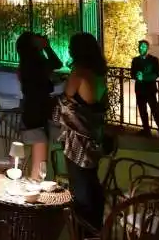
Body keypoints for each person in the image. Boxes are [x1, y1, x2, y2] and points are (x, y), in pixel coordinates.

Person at [56, 32, 108, 230]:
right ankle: (96, 229)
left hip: (78, 141)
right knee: (91, 183)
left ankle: (84, 232)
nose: (69, 50)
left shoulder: (79, 72)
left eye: (71, 47)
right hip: (94, 138)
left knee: (81, 190)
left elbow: (66, 99)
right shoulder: (98, 73)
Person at [16, 31, 62, 179]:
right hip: (36, 110)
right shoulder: (34, 62)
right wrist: (47, 47)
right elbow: (57, 63)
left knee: (40, 146)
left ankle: (36, 180)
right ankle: (36, 181)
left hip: (34, 109)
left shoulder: (28, 62)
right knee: (40, 145)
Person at [130, 40, 159, 138]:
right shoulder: (135, 60)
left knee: (155, 111)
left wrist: (144, 77)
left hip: (150, 90)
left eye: (144, 47)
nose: (141, 48)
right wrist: (137, 76)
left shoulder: (154, 60)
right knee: (142, 111)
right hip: (140, 90)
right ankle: (147, 130)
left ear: (148, 48)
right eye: (140, 47)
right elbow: (132, 73)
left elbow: (157, 73)